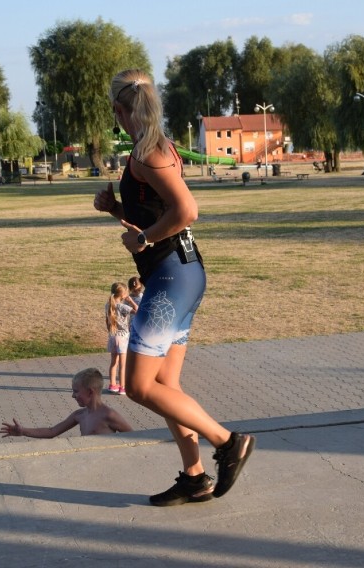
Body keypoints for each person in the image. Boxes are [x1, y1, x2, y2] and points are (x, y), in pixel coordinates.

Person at [94, 69, 255, 507]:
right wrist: (117, 210)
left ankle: (227, 442)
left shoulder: (148, 154)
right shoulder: (155, 148)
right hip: (181, 274)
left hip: (171, 277)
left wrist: (144, 239)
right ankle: (195, 477)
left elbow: (186, 210)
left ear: (120, 109)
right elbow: (155, 211)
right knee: (166, 384)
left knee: (140, 385)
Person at [0, 368, 133, 438]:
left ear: (90, 392)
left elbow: (134, 437)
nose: (73, 395)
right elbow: (52, 432)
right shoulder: (79, 415)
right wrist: (23, 431)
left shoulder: (109, 415)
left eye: (76, 391)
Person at [106, 281, 137, 395]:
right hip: (123, 337)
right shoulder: (123, 307)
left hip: (112, 336)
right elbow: (137, 311)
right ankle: (123, 387)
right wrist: (131, 301)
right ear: (123, 294)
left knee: (113, 363)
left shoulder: (108, 305)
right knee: (123, 365)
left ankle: (112, 384)